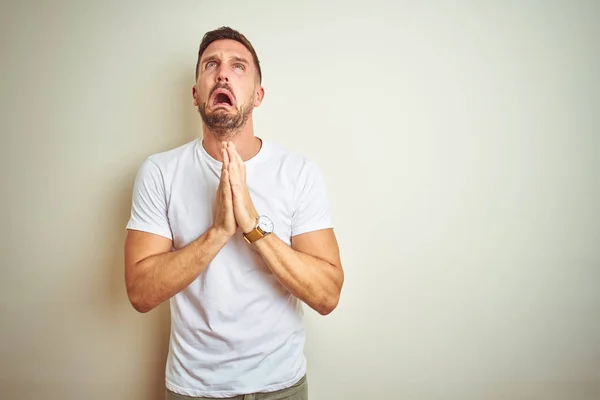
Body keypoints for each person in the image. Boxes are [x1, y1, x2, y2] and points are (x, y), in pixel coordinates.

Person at [124, 26, 344, 399]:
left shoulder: (298, 172)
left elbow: (327, 296)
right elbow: (140, 293)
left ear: (258, 95)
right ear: (196, 94)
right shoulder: (160, 172)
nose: (223, 73)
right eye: (211, 64)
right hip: (193, 390)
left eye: (238, 66)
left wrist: (253, 227)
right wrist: (218, 232)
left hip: (281, 387)